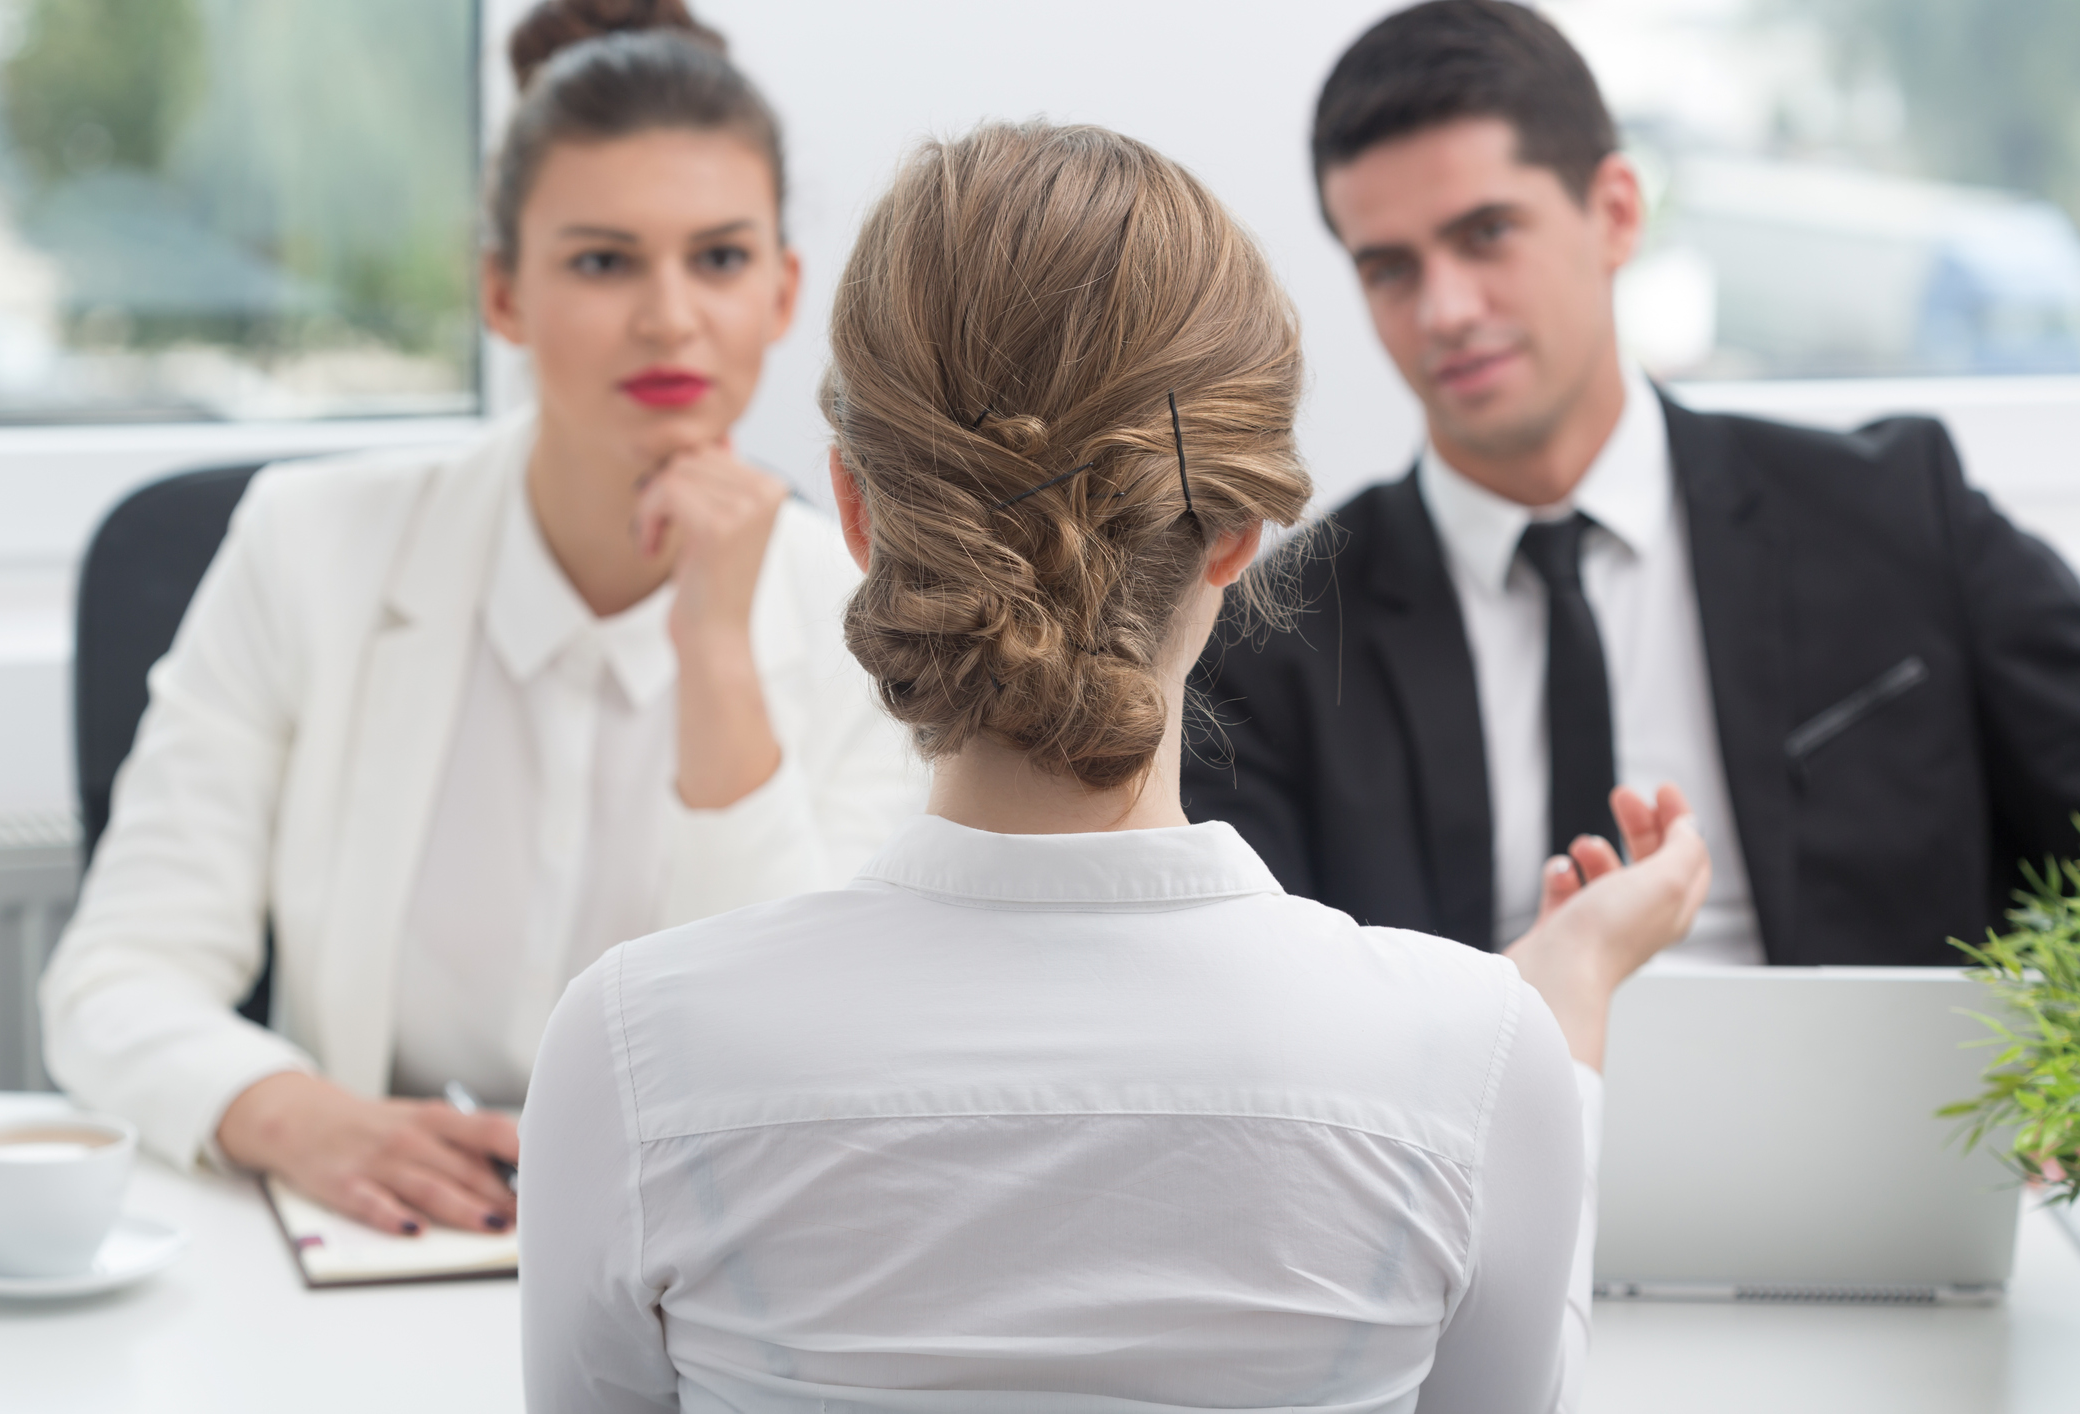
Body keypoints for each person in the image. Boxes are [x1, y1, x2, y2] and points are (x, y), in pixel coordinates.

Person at [518, 119, 1711, 1413]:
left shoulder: (632, 1049)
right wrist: (1561, 1003)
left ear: (856, 510)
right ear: (1238, 529)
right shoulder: (1472, 1056)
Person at [40, 0, 917, 1238]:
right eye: (603, 261)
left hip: (695, 1265)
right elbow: (114, 980)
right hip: (373, 1248)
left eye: (718, 259)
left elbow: (807, 1058)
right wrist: (300, 1115)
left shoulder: (858, 615)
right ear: (502, 292)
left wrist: (716, 658)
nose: (670, 316)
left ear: (782, 293)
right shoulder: (309, 545)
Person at [1184, 0, 2080, 967]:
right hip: (1469, 1105)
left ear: (1615, 212)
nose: (1443, 309)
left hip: (1875, 1114)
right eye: (1390, 269)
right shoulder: (1272, 639)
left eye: (1486, 233)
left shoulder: (1900, 514)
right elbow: (1251, 1014)